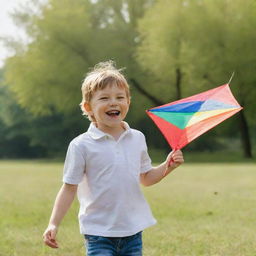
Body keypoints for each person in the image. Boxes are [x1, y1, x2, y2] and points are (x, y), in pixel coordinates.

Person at [43, 61, 184, 256]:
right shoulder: (81, 145)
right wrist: (53, 223)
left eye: (120, 97)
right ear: (88, 107)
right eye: (104, 98)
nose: (113, 102)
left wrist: (168, 166)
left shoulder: (137, 138)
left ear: (128, 102)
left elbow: (146, 178)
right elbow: (69, 188)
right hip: (98, 232)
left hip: (132, 231)